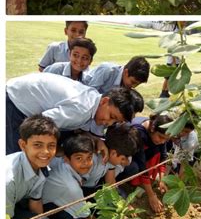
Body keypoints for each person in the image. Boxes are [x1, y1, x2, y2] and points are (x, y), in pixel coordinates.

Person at [6, 73, 136, 154]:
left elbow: (78, 127)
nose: (108, 123)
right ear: (105, 101)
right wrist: (54, 151)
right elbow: (39, 124)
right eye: (112, 117)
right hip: (14, 102)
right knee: (16, 158)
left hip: (18, 93)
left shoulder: (93, 97)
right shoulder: (81, 110)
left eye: (115, 122)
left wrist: (96, 140)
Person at [6, 116, 60, 219]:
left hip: (12, 207)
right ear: (23, 145)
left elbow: (35, 203)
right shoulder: (8, 179)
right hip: (4, 214)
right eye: (38, 145)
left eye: (51, 146)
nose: (46, 152)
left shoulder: (40, 167)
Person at [42, 134, 95, 219]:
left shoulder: (62, 164)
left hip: (58, 198)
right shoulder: (71, 186)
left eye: (89, 157)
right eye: (79, 158)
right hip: (43, 207)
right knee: (67, 217)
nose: (86, 163)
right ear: (66, 159)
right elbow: (86, 215)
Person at [117, 114, 172, 213]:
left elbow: (163, 155)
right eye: (161, 137)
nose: (162, 141)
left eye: (166, 139)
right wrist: (151, 195)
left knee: (157, 151)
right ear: (152, 128)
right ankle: (119, 182)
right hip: (122, 156)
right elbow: (142, 165)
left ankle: (137, 181)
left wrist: (162, 179)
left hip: (139, 152)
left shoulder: (158, 132)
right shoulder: (139, 133)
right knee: (134, 168)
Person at [82, 123, 140, 195]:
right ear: (113, 154)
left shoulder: (111, 160)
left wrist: (118, 200)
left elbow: (111, 182)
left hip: (92, 186)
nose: (122, 162)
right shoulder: (92, 160)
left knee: (121, 196)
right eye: (122, 159)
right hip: (81, 189)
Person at [83, 56, 150, 94]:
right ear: (126, 72)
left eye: (137, 84)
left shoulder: (125, 85)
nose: (134, 87)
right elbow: (89, 93)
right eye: (133, 82)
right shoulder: (108, 70)